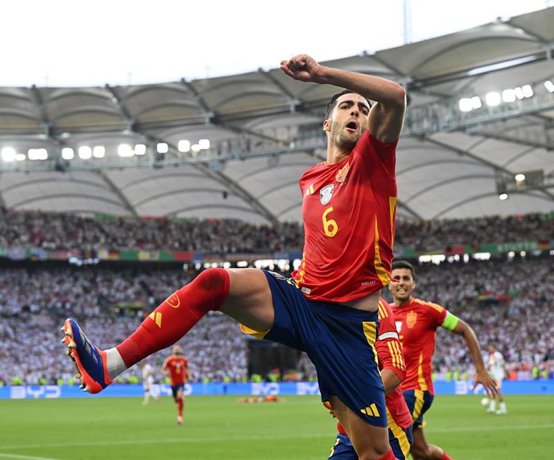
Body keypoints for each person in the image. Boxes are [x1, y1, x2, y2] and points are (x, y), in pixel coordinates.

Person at [62, 53, 407, 460]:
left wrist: (323, 76)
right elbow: (323, 243)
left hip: (349, 326)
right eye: (346, 105)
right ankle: (110, 363)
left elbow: (397, 97)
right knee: (214, 283)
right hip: (304, 302)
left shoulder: (372, 161)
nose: (356, 111)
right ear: (327, 124)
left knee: (372, 452)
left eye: (362, 109)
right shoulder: (311, 179)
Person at [388, 260, 497, 460]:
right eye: (396, 278)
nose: (401, 283)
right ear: (389, 283)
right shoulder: (383, 313)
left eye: (406, 278)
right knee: (421, 451)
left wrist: (480, 370)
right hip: (393, 391)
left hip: (416, 390)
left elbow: (465, 328)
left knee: (389, 439)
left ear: (414, 284)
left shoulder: (428, 311)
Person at [327, 298, 413, 460]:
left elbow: (395, 369)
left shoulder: (375, 306)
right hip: (350, 427)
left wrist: (353, 400)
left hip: (388, 425)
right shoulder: (323, 305)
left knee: (423, 450)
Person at [162, 345, 188, 424]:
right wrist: (166, 373)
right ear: (173, 350)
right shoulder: (169, 360)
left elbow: (187, 368)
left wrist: (189, 375)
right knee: (176, 400)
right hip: (173, 383)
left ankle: (180, 417)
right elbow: (163, 370)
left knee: (180, 396)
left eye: (178, 349)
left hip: (181, 382)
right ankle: (179, 400)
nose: (177, 350)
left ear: (180, 350)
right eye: (175, 349)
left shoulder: (184, 359)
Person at [486, 344, 507, 414]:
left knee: (497, 391)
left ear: (494, 348)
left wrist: (484, 370)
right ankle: (492, 408)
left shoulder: (494, 355)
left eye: (491, 348)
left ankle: (503, 409)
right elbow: (503, 364)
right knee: (493, 391)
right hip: (497, 376)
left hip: (496, 376)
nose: (489, 349)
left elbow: (490, 365)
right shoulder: (499, 355)